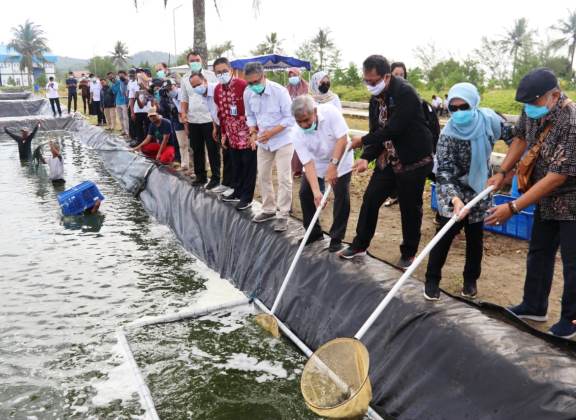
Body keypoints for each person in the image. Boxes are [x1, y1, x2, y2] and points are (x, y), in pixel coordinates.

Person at [485, 68, 576, 339]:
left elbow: (557, 177)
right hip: (546, 197)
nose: (529, 109)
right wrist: (502, 172)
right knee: (539, 251)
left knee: (573, 263)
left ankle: (571, 321)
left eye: (533, 103)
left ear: (554, 96)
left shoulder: (571, 122)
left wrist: (513, 207)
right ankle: (534, 306)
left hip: (571, 199)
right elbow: (521, 139)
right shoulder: (532, 109)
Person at [339, 55, 434, 268]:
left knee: (410, 208)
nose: (370, 85)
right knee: (371, 198)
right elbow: (378, 132)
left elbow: (394, 129)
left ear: (386, 76)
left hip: (413, 160)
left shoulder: (405, 93)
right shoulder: (376, 99)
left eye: (373, 81)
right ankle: (360, 243)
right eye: (366, 81)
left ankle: (409, 252)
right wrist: (365, 157)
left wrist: (362, 141)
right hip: (389, 158)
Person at [423, 82, 501, 301]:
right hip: (454, 190)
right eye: (453, 108)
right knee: (445, 234)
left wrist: (507, 171)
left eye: (463, 106)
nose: (458, 113)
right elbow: (444, 170)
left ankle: (470, 280)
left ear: (474, 103)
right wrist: (454, 199)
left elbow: (518, 138)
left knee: (475, 237)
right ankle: (432, 278)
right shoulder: (447, 134)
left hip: (480, 189)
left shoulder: (490, 122)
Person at [292, 95, 353, 252]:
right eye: (300, 122)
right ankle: (313, 233)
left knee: (341, 195)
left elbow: (342, 138)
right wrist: (316, 192)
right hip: (317, 162)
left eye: (306, 120)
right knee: (306, 193)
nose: (304, 125)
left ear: (315, 111)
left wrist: (334, 165)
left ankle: (336, 237)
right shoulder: (296, 133)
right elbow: (307, 162)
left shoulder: (331, 112)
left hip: (341, 158)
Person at [243, 61, 295, 232]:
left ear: (263, 76)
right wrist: (252, 133)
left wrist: (271, 133)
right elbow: (250, 116)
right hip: (263, 140)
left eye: (256, 82)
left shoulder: (280, 92)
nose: (253, 86)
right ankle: (268, 209)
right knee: (263, 175)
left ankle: (283, 214)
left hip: (283, 139)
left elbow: (289, 118)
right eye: (249, 83)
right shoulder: (248, 93)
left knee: (283, 178)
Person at [213, 57, 257, 210]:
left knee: (248, 167)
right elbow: (222, 114)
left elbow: (253, 110)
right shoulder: (217, 90)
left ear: (231, 70)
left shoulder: (243, 85)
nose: (222, 74)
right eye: (218, 72)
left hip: (246, 133)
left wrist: (253, 133)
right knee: (236, 166)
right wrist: (224, 134)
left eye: (224, 71)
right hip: (231, 135)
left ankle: (247, 197)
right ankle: (237, 192)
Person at [180, 51, 221, 189]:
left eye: (197, 59)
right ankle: (200, 176)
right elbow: (184, 99)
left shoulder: (210, 75)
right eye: (192, 60)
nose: (195, 62)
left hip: (210, 119)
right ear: (188, 62)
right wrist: (184, 116)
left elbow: (218, 94)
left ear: (202, 60)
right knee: (196, 150)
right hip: (193, 120)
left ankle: (215, 178)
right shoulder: (185, 78)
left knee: (212, 149)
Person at [383, 61, 409, 208]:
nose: (399, 77)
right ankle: (394, 195)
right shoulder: (385, 95)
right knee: (391, 169)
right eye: (396, 74)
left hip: (404, 142)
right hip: (389, 141)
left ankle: (401, 196)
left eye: (402, 74)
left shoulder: (409, 94)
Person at [158, 80, 187, 171]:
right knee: (181, 144)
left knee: (190, 145)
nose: (169, 91)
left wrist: (186, 123)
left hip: (188, 119)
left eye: (170, 88)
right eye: (167, 90)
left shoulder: (183, 94)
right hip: (176, 119)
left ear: (175, 85)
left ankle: (193, 166)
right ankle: (184, 164)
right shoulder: (171, 98)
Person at [286, 67, 310, 178]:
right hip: (292, 120)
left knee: (305, 144)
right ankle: (296, 169)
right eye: (290, 76)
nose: (292, 78)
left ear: (299, 75)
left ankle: (307, 168)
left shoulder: (307, 87)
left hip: (305, 119)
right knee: (295, 145)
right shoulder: (287, 89)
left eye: (294, 75)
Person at [112, 70, 130, 137]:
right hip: (118, 102)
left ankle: (128, 132)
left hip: (124, 102)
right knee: (120, 117)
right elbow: (114, 92)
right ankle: (123, 130)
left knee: (125, 117)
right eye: (119, 75)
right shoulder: (117, 82)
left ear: (125, 75)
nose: (120, 76)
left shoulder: (127, 81)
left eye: (122, 74)